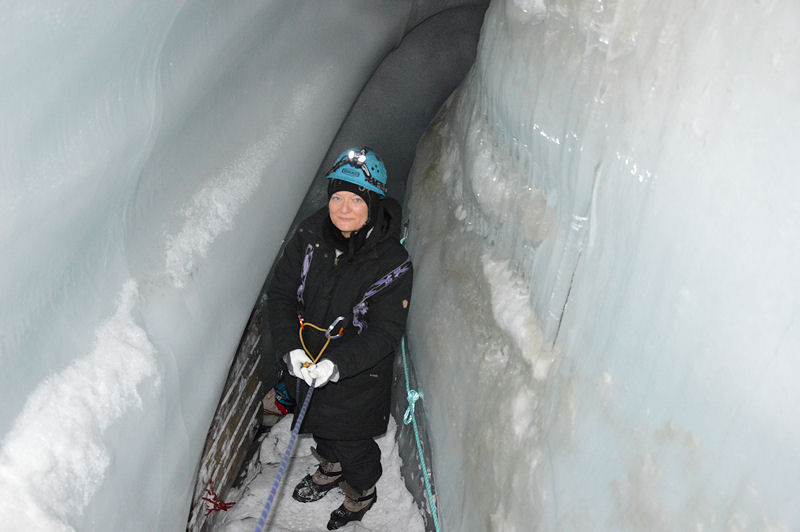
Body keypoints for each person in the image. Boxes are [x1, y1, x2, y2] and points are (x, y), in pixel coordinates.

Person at [267, 146, 413, 530]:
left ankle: (361, 490)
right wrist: (290, 349)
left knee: (353, 444)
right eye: (337, 197)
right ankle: (329, 469)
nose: (344, 208)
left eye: (355, 199)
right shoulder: (309, 238)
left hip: (356, 377)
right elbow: (281, 295)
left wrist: (337, 366)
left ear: (373, 202)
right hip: (306, 364)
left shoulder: (392, 261)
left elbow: (384, 331)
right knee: (316, 424)